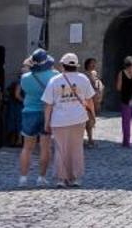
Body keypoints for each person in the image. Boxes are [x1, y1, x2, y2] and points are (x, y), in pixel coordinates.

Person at [42, 52, 97, 187]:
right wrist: (93, 116)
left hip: (59, 119)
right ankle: (76, 178)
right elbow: (90, 100)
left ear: (63, 65)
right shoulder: (83, 79)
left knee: (61, 149)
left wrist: (46, 122)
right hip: (78, 118)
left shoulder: (54, 80)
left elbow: (48, 104)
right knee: (77, 148)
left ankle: (61, 178)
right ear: (76, 65)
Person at [16, 51, 58, 186]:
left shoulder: (25, 78)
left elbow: (23, 89)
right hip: (47, 113)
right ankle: (41, 178)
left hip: (29, 112)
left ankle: (23, 178)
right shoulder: (55, 76)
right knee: (45, 147)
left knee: (27, 148)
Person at [113, 57, 132, 148]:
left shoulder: (121, 73)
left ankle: (126, 142)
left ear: (125, 63)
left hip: (125, 99)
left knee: (126, 122)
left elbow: (118, 88)